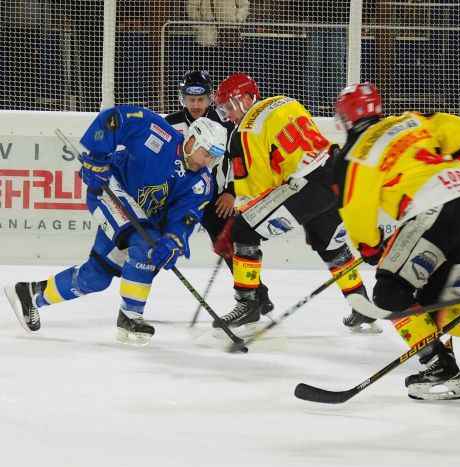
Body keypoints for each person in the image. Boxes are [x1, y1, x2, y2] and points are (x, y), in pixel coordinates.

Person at [330, 82, 460, 401]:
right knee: (436, 304)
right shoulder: (412, 119)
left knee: (390, 291)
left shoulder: (356, 152)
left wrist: (370, 247)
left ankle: (440, 359)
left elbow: (357, 205)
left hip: (435, 210)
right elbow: (455, 127)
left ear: (347, 118)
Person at [4, 108, 227, 346]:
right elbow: (114, 119)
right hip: (111, 187)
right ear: (192, 140)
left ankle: (30, 295)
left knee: (96, 277)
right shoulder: (159, 133)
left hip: (140, 214)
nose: (209, 162)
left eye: (215, 158)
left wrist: (174, 240)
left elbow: (186, 216)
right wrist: (97, 158)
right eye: (207, 154)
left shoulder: (202, 183)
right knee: (145, 243)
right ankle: (131, 315)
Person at [212, 72, 380, 334]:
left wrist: (236, 225)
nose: (229, 115)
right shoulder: (285, 101)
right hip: (335, 173)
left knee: (243, 230)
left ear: (247, 99)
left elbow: (256, 190)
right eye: (223, 110)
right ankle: (362, 306)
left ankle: (248, 303)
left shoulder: (243, 131)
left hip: (307, 185)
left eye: (230, 107)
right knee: (330, 245)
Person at [166, 70, 274, 316]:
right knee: (156, 240)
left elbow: (241, 161)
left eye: (201, 99)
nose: (196, 105)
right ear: (182, 99)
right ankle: (134, 302)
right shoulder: (169, 124)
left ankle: (257, 296)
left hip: (216, 197)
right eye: (191, 100)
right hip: (179, 197)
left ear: (210, 98)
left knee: (230, 247)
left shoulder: (227, 122)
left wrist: (231, 192)